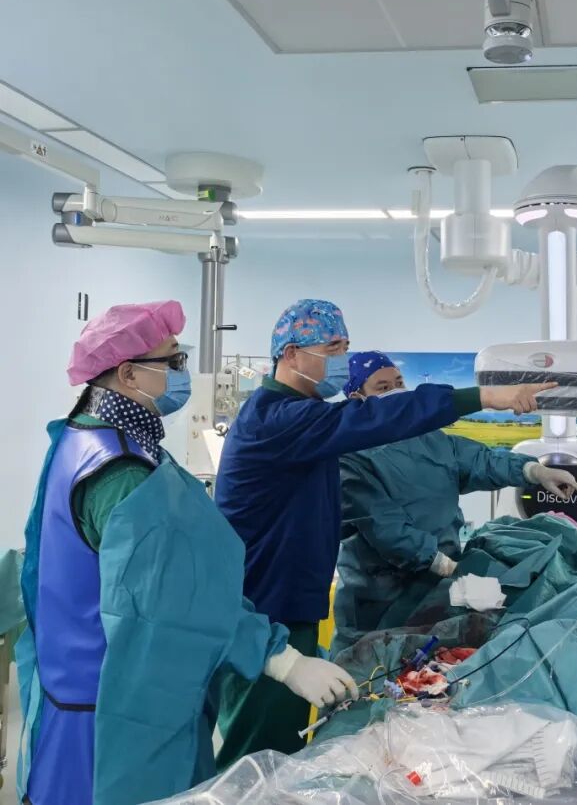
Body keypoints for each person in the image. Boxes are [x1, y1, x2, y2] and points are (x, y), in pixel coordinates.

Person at [16, 301, 358, 805]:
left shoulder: (83, 439)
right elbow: (179, 598)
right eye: (172, 361)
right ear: (128, 373)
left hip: (77, 690)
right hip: (116, 712)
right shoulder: (121, 471)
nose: (182, 373)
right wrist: (281, 659)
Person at [214, 299, 553, 766]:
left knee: (284, 751)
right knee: (257, 757)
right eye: (333, 348)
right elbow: (376, 433)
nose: (341, 357)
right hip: (265, 607)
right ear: (291, 354)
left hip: (289, 603)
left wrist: (529, 469)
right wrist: (485, 397)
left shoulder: (302, 418)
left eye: (346, 347)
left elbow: (466, 457)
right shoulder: (277, 419)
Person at [332, 352, 577, 652]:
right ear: (358, 398)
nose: (396, 392)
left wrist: (533, 471)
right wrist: (443, 564)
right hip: (378, 600)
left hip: (436, 592)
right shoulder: (349, 457)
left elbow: (481, 461)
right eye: (383, 388)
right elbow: (383, 527)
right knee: (368, 669)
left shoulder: (430, 439)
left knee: (428, 670)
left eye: (399, 383)